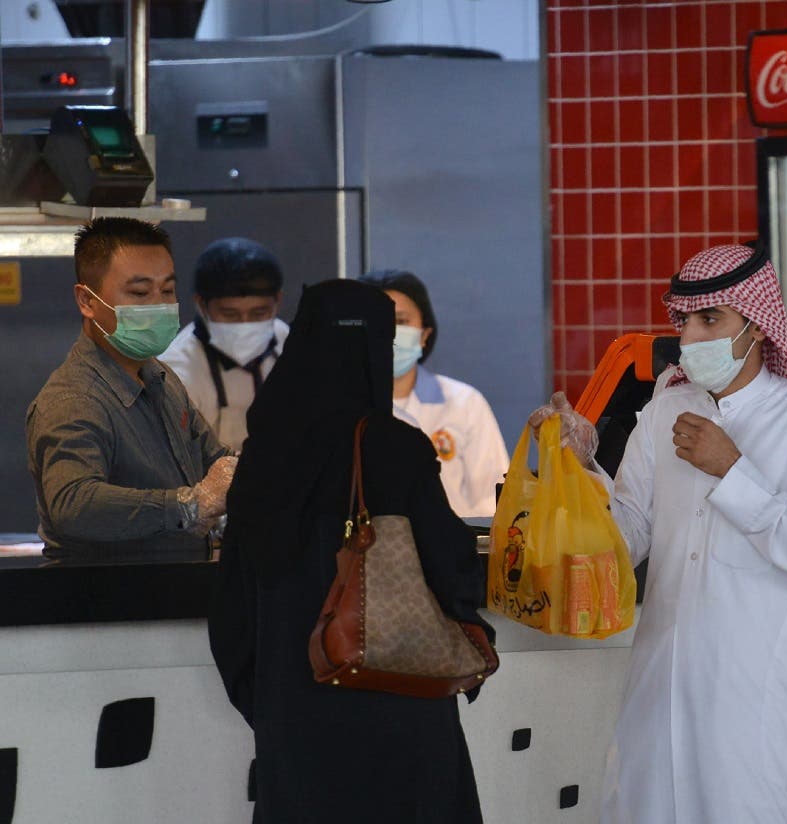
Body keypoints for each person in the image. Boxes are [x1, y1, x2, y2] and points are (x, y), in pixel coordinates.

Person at [530, 244, 787, 824]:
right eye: (684, 321)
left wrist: (733, 472)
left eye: (710, 320)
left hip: (754, 694)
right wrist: (581, 468)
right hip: (662, 684)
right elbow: (626, 537)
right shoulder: (661, 410)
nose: (690, 337)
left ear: (756, 324)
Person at [208, 279, 490, 824]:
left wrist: (271, 704)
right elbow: (452, 569)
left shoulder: (263, 454)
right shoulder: (396, 447)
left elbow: (233, 606)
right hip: (402, 707)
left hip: (296, 714)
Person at [25, 217, 235, 561]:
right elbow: (74, 504)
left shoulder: (160, 379)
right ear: (87, 300)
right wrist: (187, 507)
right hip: (109, 602)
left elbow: (214, 462)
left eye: (167, 291)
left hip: (175, 593)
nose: (158, 304)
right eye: (139, 292)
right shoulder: (73, 399)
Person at [359, 269, 508, 517]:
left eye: (400, 321)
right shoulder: (334, 406)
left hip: (453, 549)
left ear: (424, 333)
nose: (388, 333)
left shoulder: (464, 403)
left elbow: (492, 501)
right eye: (376, 321)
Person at [159, 237, 288, 451]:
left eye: (259, 313)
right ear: (201, 305)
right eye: (230, 314)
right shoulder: (177, 373)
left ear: (278, 301)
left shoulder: (285, 341)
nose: (245, 325)